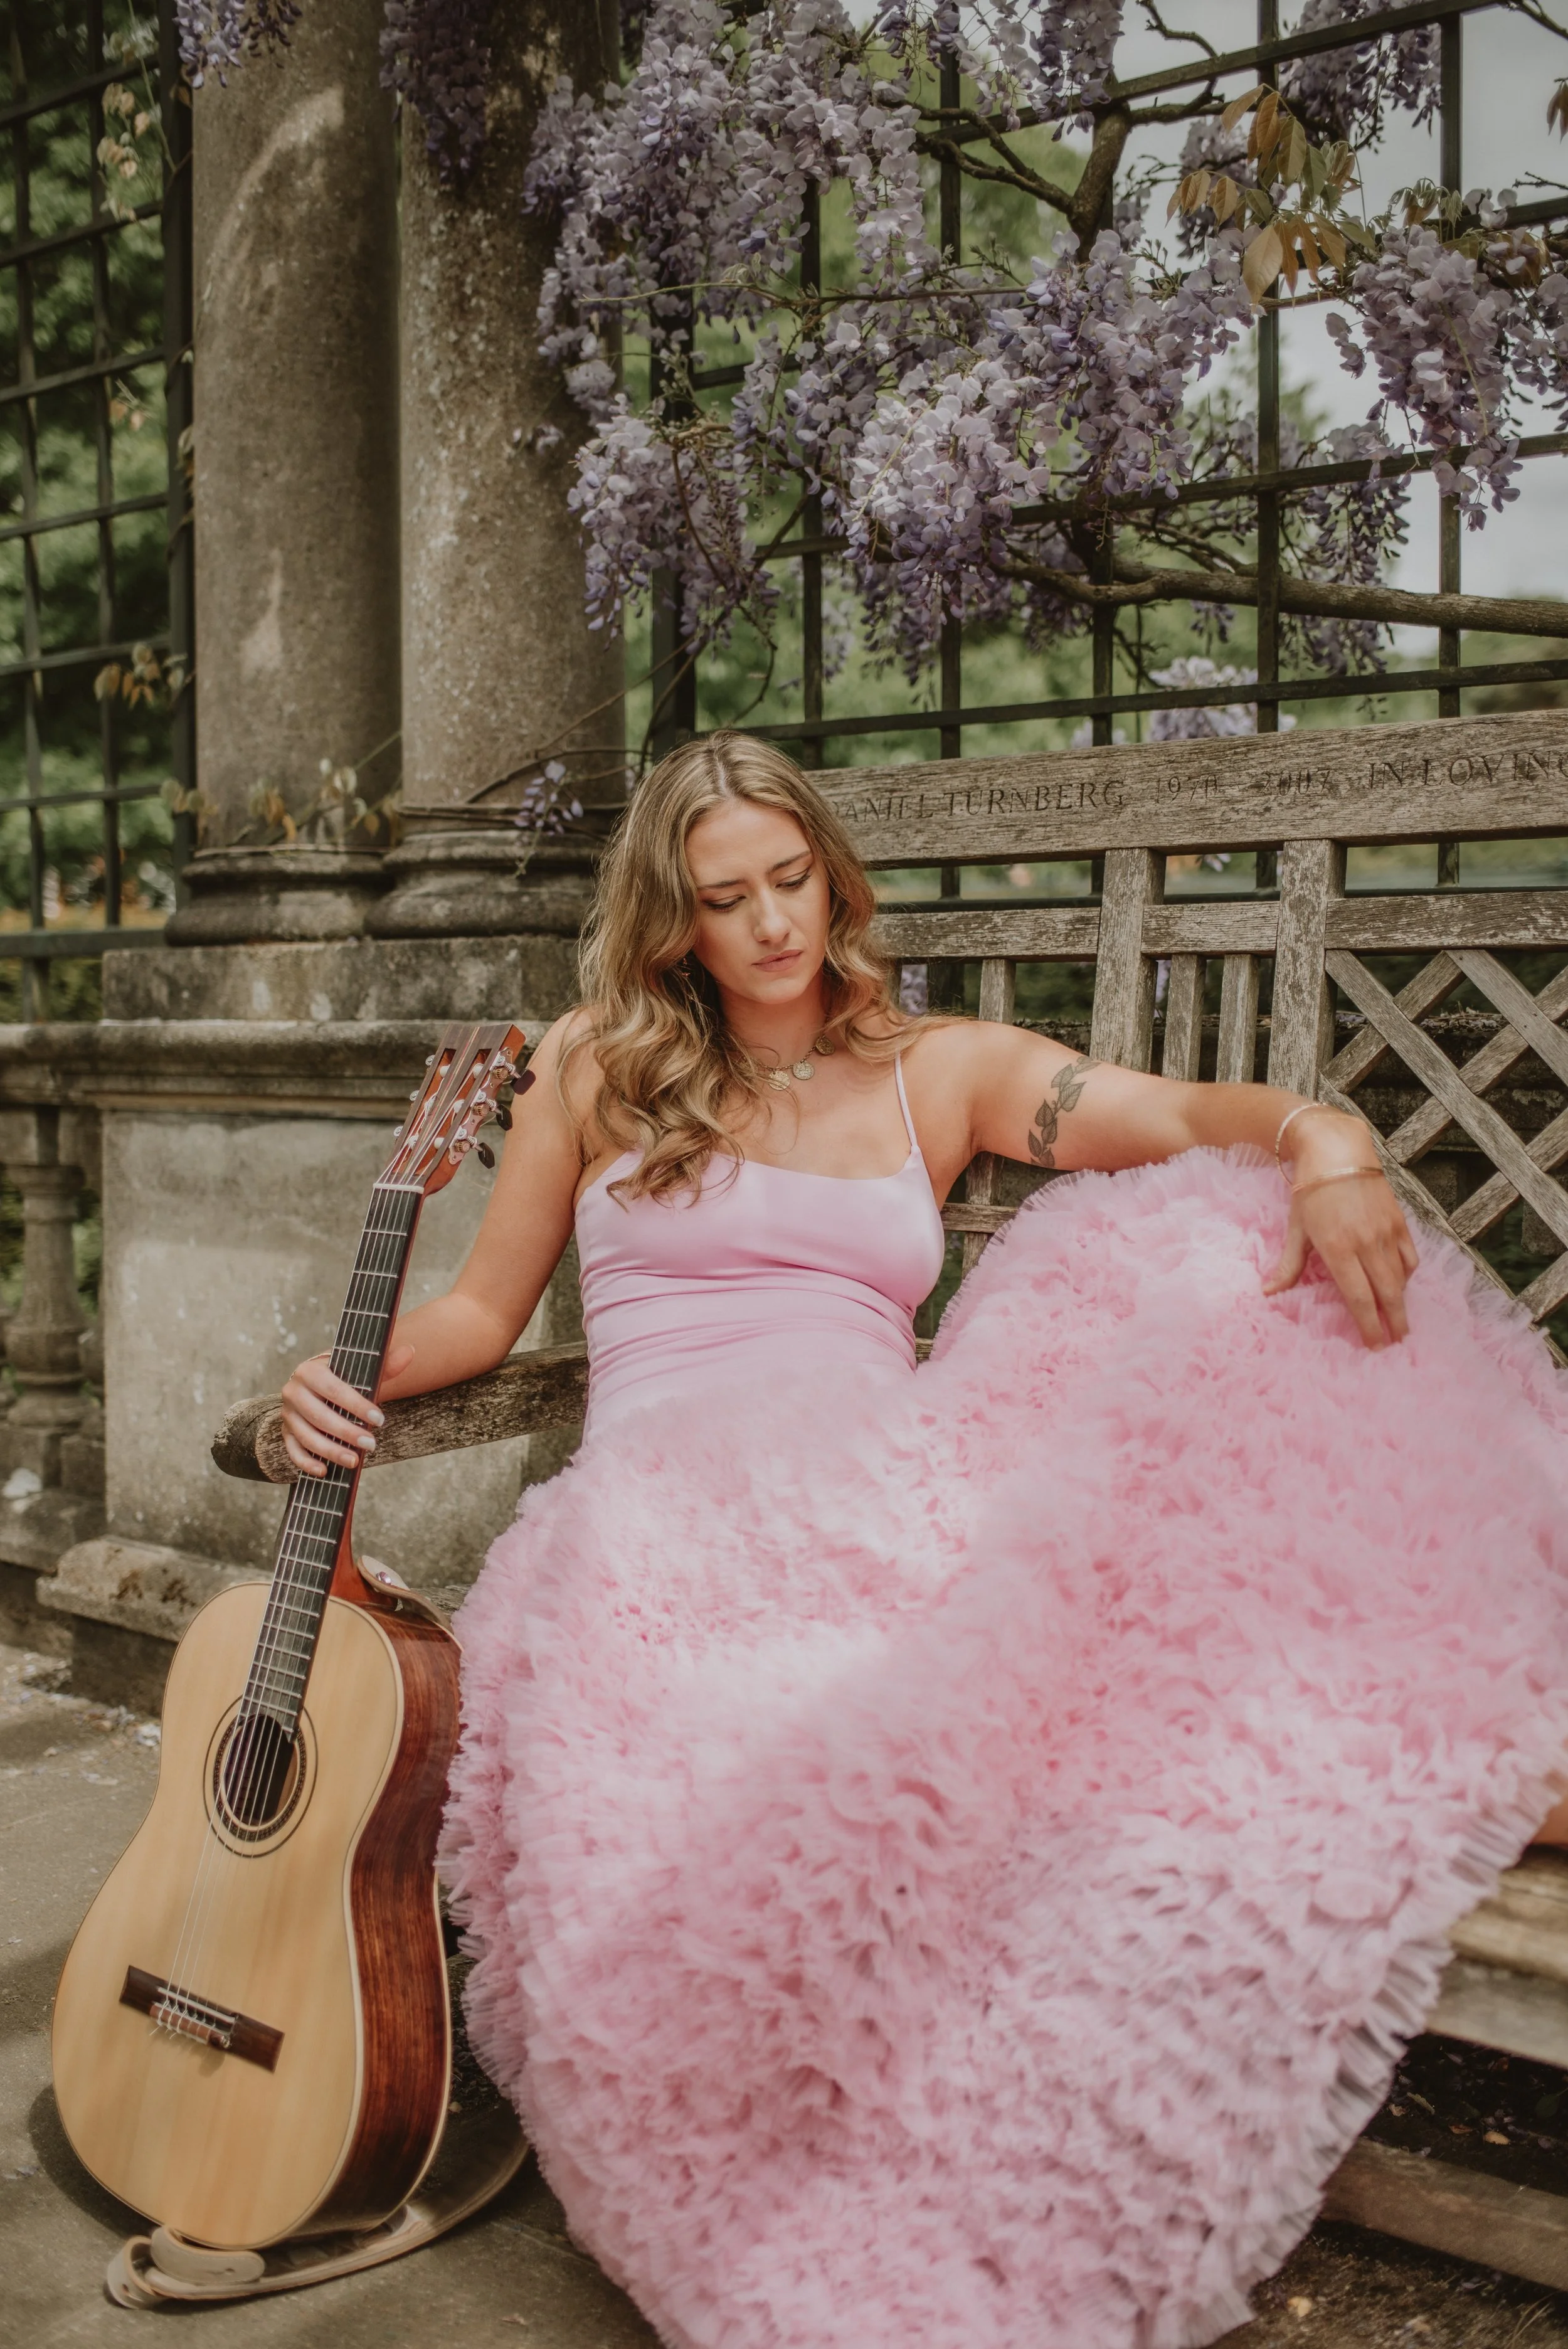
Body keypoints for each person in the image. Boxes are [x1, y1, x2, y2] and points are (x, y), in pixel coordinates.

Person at [282, 732, 1568, 2349]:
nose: (769, 926)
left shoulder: (932, 1067)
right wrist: (341, 1374)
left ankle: (1459, 1709)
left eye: (791, 881)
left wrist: (1327, 1137)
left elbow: (1170, 1118)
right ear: (673, 919)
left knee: (1208, 1247)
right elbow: (480, 1307)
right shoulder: (595, 1065)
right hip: (659, 1534)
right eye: (724, 898)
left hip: (884, 1488)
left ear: (834, 873)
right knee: (792, 1780)